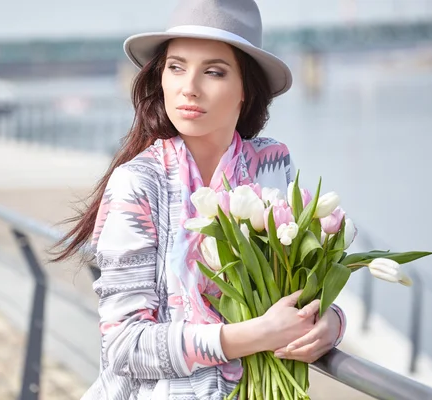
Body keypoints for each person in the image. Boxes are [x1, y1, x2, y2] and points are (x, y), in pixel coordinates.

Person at [55, 0, 347, 398]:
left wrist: (330, 320)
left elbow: (294, 284)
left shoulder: (271, 164)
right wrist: (250, 336)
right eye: (176, 67)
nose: (188, 87)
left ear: (246, 88)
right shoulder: (138, 183)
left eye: (213, 71)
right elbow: (124, 346)